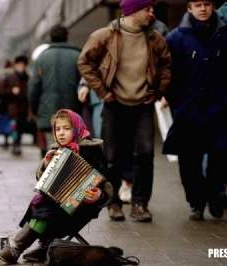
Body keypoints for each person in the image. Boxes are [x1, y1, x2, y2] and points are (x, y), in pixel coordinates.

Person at [78, 0, 171, 222]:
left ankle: (140, 204)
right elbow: (84, 62)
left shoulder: (154, 38)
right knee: (112, 157)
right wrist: (102, 91)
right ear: (133, 11)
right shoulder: (105, 36)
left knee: (145, 155)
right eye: (147, 9)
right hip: (114, 105)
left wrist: (157, 92)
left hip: (143, 106)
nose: (152, 13)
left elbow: (166, 66)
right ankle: (113, 204)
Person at [0, 109, 113, 264]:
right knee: (44, 203)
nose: (61, 133)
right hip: (55, 204)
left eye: (66, 128)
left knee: (46, 209)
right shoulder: (56, 150)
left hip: (82, 208)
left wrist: (99, 195)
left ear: (77, 129)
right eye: (58, 129)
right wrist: (45, 164)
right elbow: (42, 180)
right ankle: (44, 248)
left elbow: (106, 185)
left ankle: (16, 246)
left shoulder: (91, 150)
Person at [163, 0, 227, 220]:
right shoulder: (176, 38)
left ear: (213, 6)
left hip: (220, 108)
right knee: (189, 161)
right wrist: (177, 102)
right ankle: (196, 202)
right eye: (197, 5)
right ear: (189, 8)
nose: (203, 9)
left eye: (206, 4)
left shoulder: (226, 35)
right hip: (189, 110)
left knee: (220, 157)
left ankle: (215, 196)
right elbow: (170, 75)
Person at [29, 25, 81, 157]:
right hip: (72, 111)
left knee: (52, 150)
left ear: (50, 38)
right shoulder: (77, 56)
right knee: (71, 150)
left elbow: (34, 86)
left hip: (48, 111)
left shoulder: (42, 58)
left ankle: (52, 174)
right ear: (67, 36)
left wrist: (35, 109)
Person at [0, 55, 30, 155]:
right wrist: (11, 91)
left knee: (21, 127)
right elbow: (1, 91)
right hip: (13, 107)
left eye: (22, 65)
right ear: (15, 66)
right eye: (19, 65)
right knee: (14, 127)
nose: (20, 67)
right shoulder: (10, 77)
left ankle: (18, 143)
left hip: (24, 107)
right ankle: (15, 145)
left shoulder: (28, 78)